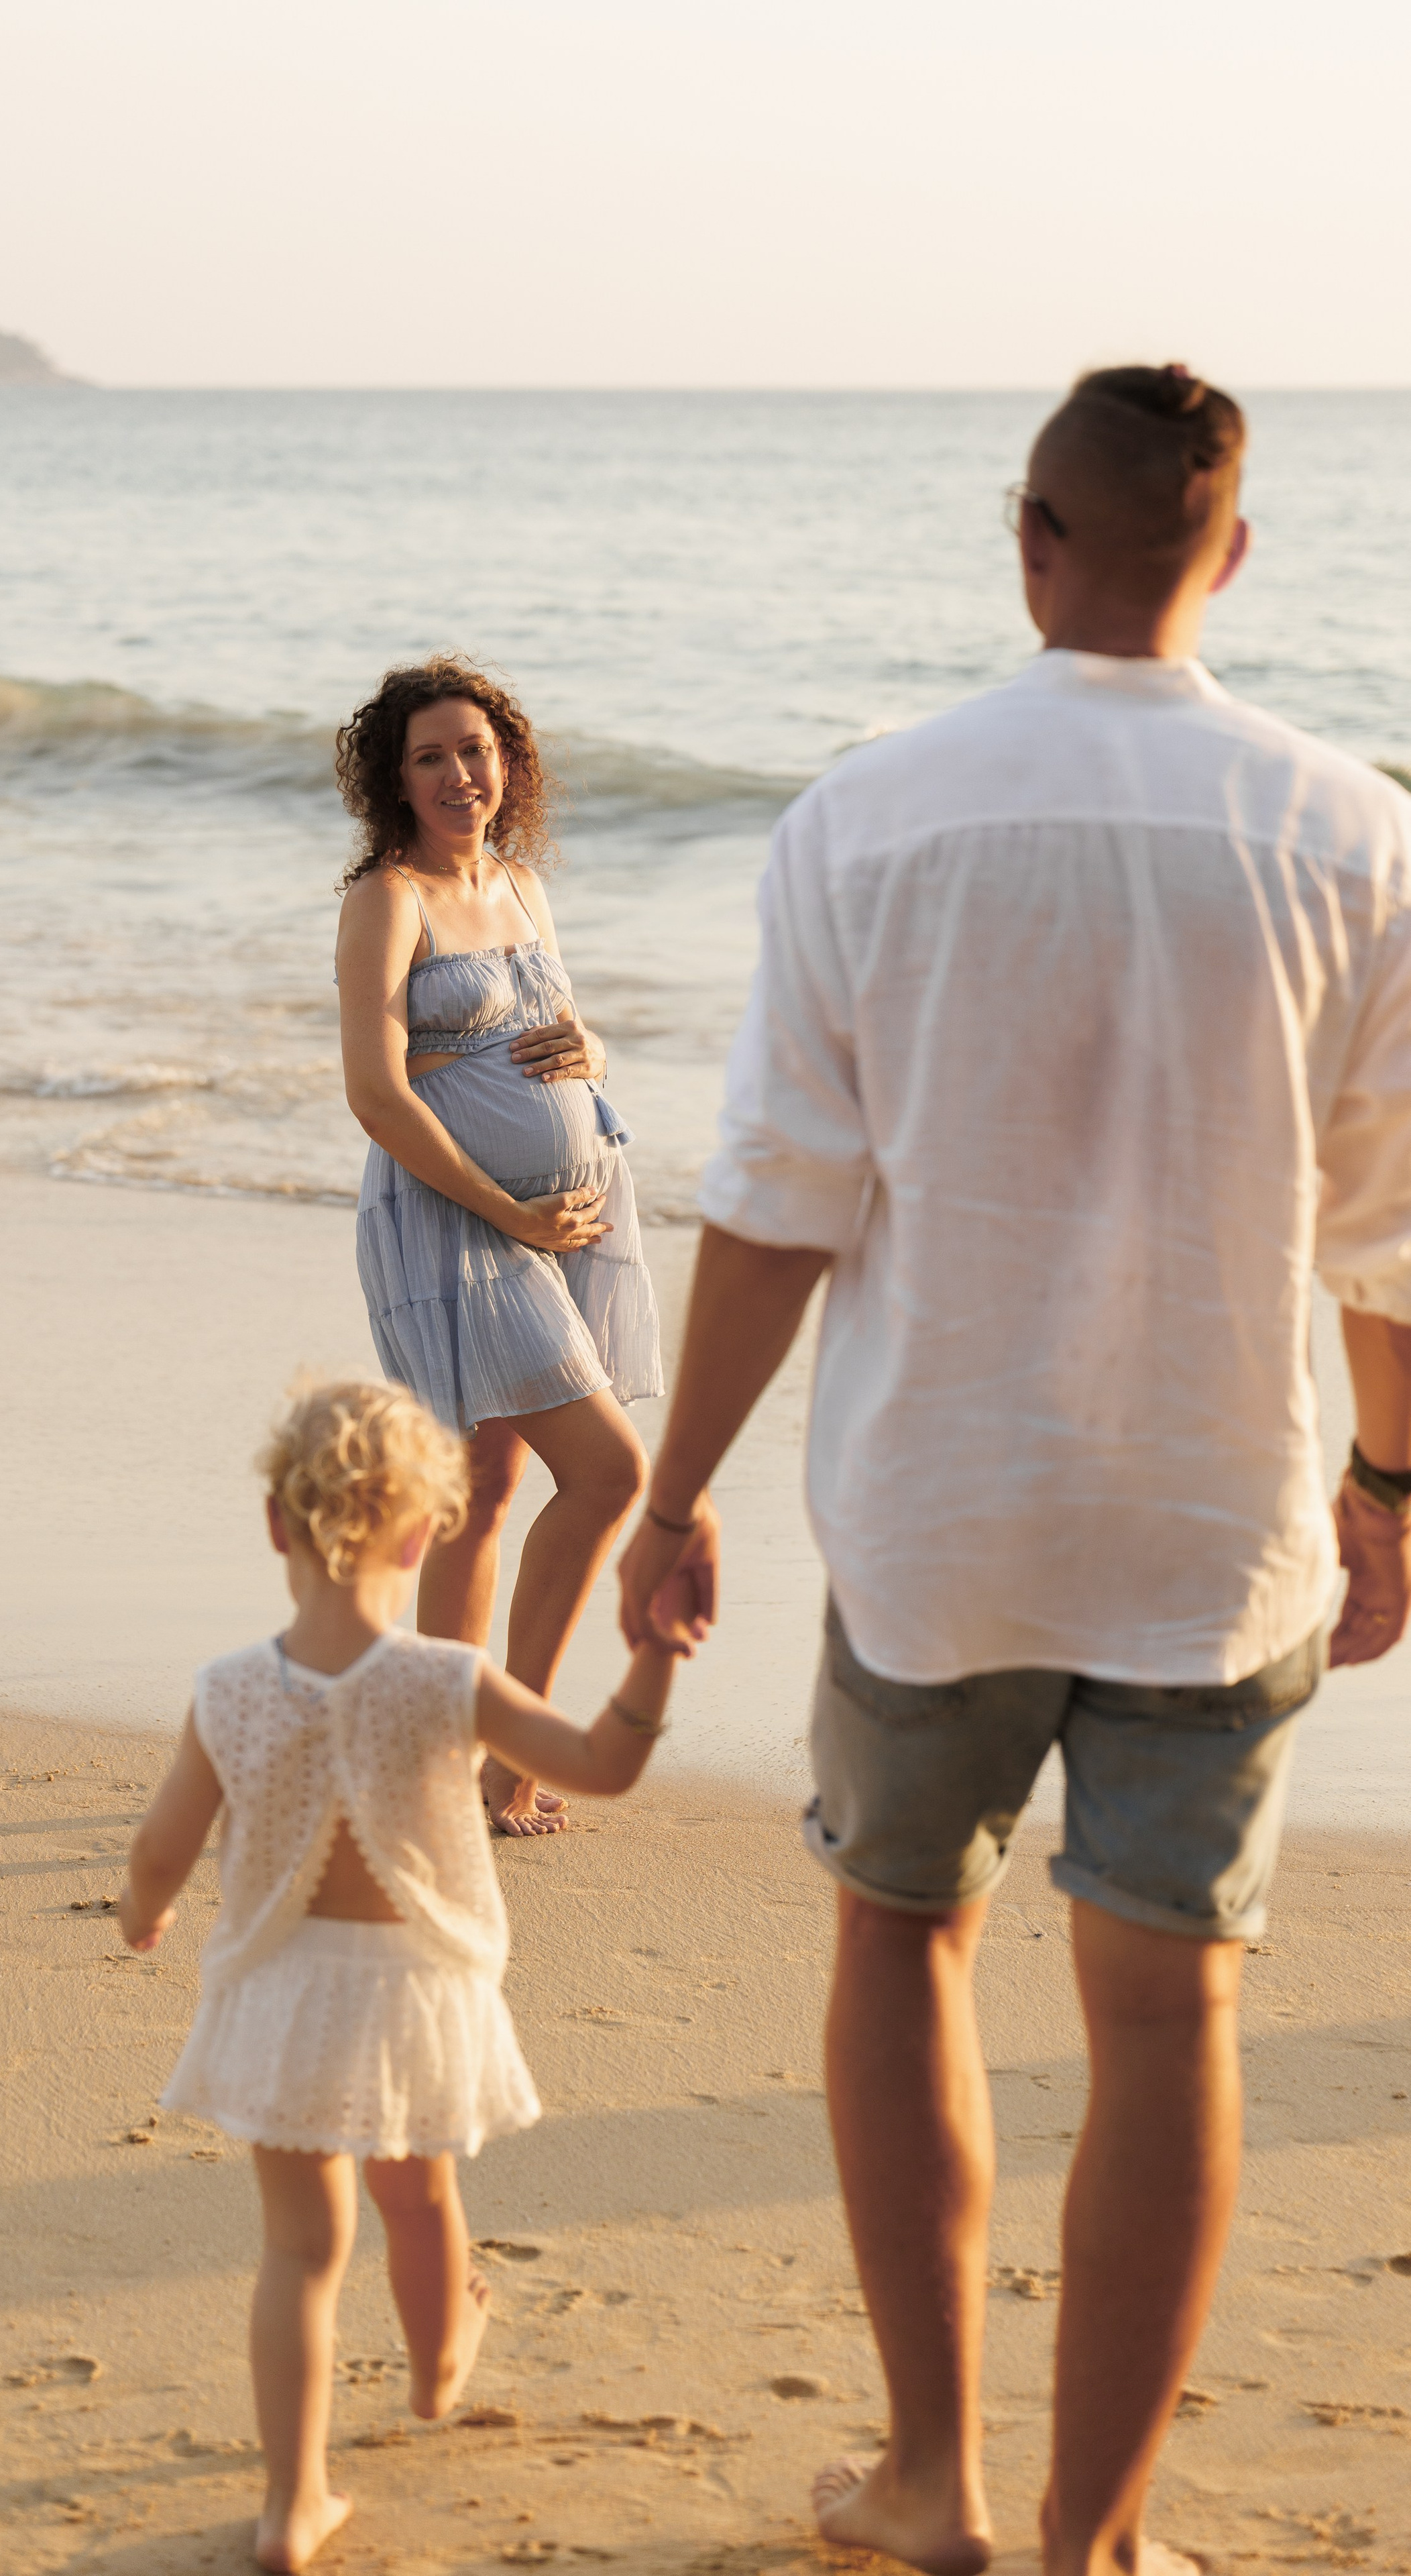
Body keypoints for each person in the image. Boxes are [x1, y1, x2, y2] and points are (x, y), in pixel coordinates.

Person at [618, 366, 1411, 2576]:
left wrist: (672, 1492)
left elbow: (778, 1201)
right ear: (1231, 554)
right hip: (1217, 1513)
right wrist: (1395, 1496)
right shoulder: (1358, 829)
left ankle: (932, 2484)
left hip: (938, 1517)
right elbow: (1396, 1243)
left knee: (904, 1939)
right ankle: (1099, 2538)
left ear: (1032, 542)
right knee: (1171, 2014)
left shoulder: (866, 815)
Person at [118, 1377, 679, 2575]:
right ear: (428, 1532)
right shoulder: (445, 1681)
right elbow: (595, 1763)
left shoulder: (228, 1690)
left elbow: (164, 1844)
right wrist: (654, 1664)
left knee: (299, 2255)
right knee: (421, 2203)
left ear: (277, 1524)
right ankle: (434, 2379)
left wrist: (142, 1913)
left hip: (278, 1996)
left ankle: (291, 2507)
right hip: (412, 1997)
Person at [335, 659, 662, 1836]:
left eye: (475, 748)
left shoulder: (521, 885)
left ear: (507, 760)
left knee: (487, 1488)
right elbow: (376, 1093)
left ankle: (442, 1747)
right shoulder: (390, 897)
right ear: (396, 779)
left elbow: (556, 1038)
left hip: (565, 1220)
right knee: (610, 1473)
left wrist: (595, 1052)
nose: (459, 773)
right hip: (453, 1221)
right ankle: (511, 1753)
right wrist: (507, 1209)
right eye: (430, 756)